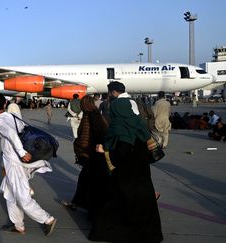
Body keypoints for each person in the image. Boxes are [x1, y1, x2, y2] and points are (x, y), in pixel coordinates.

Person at [89, 81, 163, 243]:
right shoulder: (140, 129)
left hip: (125, 176)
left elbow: (121, 154)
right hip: (141, 175)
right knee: (142, 201)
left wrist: (105, 150)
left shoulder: (120, 129)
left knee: (117, 201)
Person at [0, 93, 57, 236]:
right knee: (9, 193)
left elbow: (11, 134)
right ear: (5, 105)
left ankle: (47, 219)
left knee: (22, 197)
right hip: (15, 161)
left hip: (15, 163)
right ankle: (18, 225)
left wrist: (21, 152)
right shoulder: (13, 117)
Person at [61, 95, 110, 219]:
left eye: (82, 104)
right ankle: (77, 203)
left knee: (90, 180)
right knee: (84, 179)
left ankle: (89, 206)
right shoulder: (92, 114)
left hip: (92, 154)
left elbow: (100, 133)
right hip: (89, 154)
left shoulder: (93, 115)